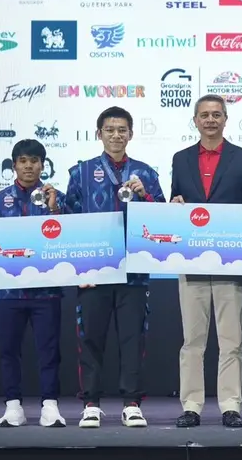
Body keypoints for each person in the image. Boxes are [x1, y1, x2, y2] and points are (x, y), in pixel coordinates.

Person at [64, 106, 166, 428]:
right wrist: (78, 270)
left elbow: (162, 218)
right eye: (109, 130)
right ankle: (91, 403)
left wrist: (145, 196)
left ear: (131, 134)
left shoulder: (146, 173)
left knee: (132, 340)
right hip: (94, 272)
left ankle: (131, 403)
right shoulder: (81, 172)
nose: (116, 135)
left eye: (122, 130)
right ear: (99, 134)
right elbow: (69, 221)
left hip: (134, 271)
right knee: (91, 338)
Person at [170, 94, 242, 428]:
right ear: (195, 120)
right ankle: (192, 405)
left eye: (216, 114)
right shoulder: (180, 159)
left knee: (231, 341)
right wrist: (174, 205)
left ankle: (230, 405)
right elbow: (175, 204)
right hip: (191, 261)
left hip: (231, 261)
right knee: (192, 341)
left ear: (225, 119)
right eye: (204, 115)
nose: (210, 120)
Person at [0, 139, 67, 427]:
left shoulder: (57, 198)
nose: (29, 166)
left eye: (34, 161)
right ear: (14, 165)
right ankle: (13, 405)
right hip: (8, 291)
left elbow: (71, 240)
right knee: (8, 351)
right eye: (23, 161)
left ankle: (50, 405)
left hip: (46, 291)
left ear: (43, 165)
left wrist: (55, 211)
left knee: (49, 352)